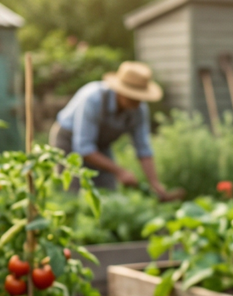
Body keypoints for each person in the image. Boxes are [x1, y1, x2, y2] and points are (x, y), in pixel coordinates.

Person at [50, 61, 182, 200]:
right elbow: (84, 147)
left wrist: (155, 183)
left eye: (140, 96)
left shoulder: (139, 109)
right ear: (120, 90)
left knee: (108, 192)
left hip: (101, 146)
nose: (137, 101)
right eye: (132, 96)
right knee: (71, 192)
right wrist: (120, 171)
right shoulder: (93, 99)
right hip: (69, 141)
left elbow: (143, 148)